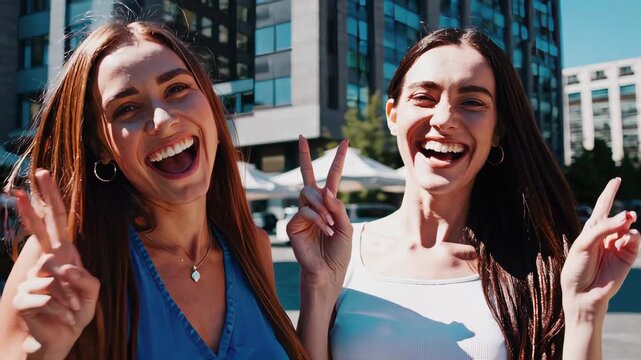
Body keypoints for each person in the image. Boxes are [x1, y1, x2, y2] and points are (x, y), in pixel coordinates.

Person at [287, 28, 640, 359]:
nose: (444, 119)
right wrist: (317, 284)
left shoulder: (538, 267)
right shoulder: (341, 253)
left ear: (498, 129)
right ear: (393, 115)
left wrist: (584, 309)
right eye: (424, 97)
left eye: (472, 102)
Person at [0, 20, 308, 359]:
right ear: (100, 146)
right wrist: (40, 353)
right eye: (126, 109)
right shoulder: (70, 263)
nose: (163, 119)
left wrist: (319, 285)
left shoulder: (252, 248)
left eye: (177, 89)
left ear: (209, 104)